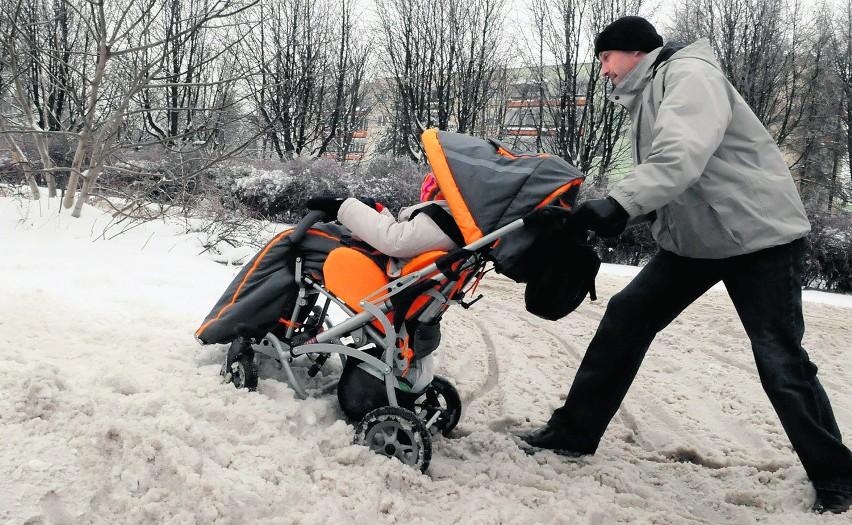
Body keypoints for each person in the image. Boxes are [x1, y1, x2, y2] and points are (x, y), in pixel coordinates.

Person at [517, 15, 852, 514]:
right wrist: (595, 210)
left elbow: (680, 158)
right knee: (627, 317)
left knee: (779, 359)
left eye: (605, 59)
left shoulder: (689, 76)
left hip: (758, 238)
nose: (604, 71)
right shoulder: (653, 91)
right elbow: (672, 176)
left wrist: (619, 203)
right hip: (699, 242)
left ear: (632, 52)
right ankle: (573, 431)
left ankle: (837, 476)